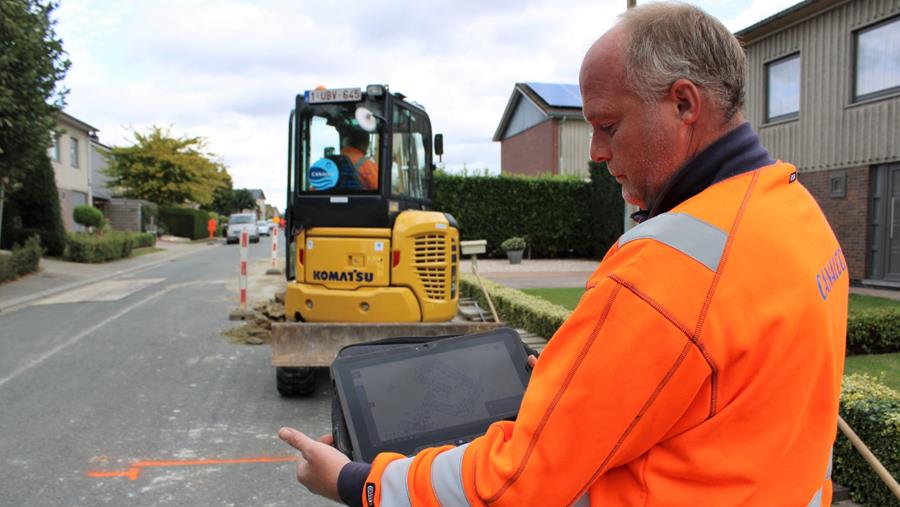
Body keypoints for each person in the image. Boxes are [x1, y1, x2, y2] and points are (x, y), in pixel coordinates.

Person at [278, 3, 848, 505]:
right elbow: (732, 396)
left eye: (607, 125)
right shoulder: (795, 211)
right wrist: (594, 385)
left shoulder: (666, 268)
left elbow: (516, 483)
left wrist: (361, 483)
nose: (596, 152)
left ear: (683, 104)